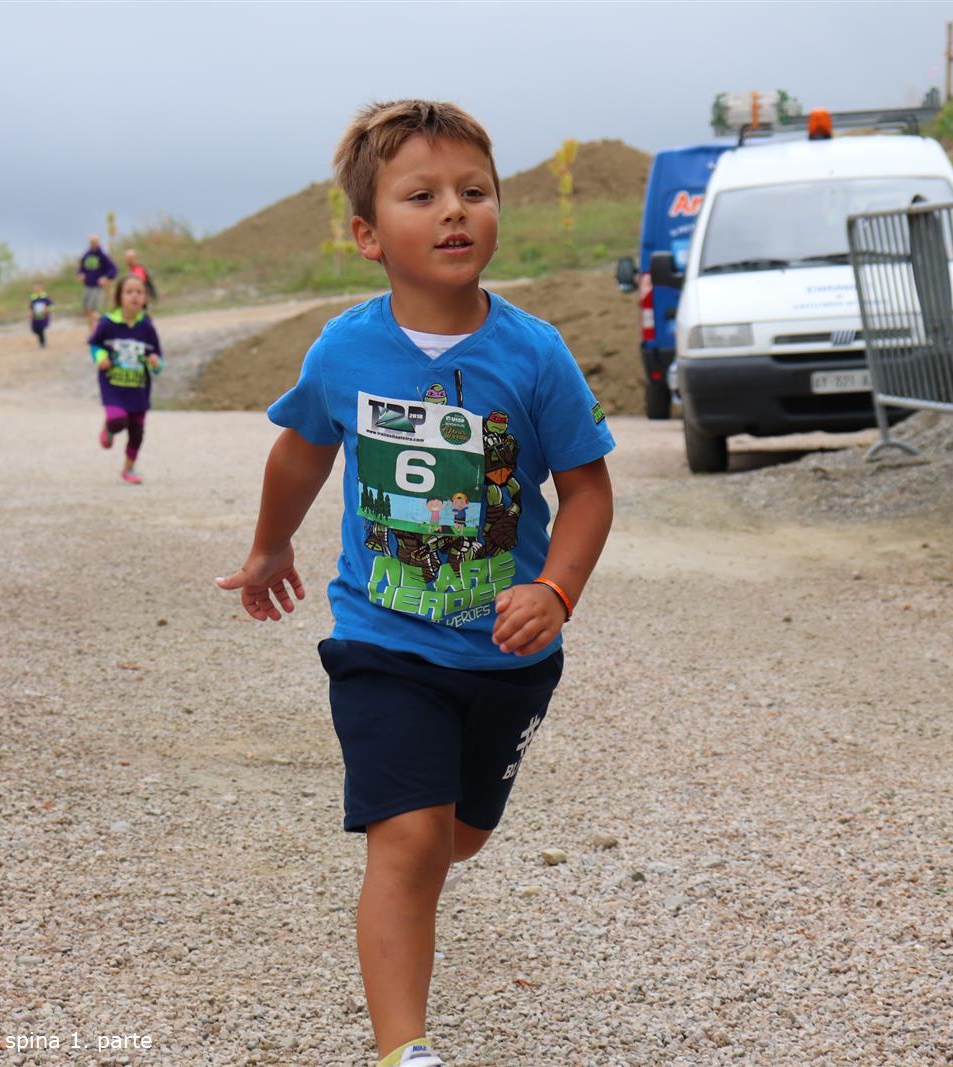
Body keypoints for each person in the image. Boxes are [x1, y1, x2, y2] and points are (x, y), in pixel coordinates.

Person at [214, 100, 615, 1067]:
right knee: (406, 838)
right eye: (422, 196)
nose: (454, 211)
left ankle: (441, 845)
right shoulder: (344, 351)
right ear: (368, 235)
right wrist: (270, 548)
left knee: (458, 836)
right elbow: (301, 451)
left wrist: (555, 591)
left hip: (508, 656)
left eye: (474, 192)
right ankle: (405, 1049)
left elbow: (588, 490)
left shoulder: (535, 354)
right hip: (382, 641)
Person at [86, 273, 162, 485]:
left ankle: (129, 468)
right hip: (114, 386)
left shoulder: (147, 327)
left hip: (139, 388)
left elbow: (157, 357)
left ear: (145, 298)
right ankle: (109, 428)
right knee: (118, 420)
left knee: (137, 431)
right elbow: (94, 344)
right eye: (129, 292)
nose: (134, 296)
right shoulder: (107, 323)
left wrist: (156, 363)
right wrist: (100, 357)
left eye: (139, 292)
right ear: (119, 297)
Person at [77, 234, 117, 329]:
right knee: (87, 310)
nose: (93, 244)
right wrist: (81, 274)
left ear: (98, 242)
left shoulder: (103, 256)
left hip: (97, 287)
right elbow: (81, 268)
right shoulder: (86, 255)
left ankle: (97, 329)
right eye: (92, 242)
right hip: (87, 285)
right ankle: (92, 330)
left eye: (95, 242)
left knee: (94, 310)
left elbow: (113, 269)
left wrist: (106, 277)